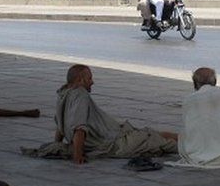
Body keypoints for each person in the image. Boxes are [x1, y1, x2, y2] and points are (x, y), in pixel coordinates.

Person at [21, 64, 178, 164]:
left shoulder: (63, 94)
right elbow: (79, 128)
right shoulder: (80, 95)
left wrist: (58, 144)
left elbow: (60, 126)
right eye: (90, 78)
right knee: (163, 141)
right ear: (81, 79)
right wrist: (77, 156)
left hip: (120, 135)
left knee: (156, 134)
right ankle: (197, 145)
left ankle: (195, 141)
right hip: (116, 142)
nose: (92, 82)